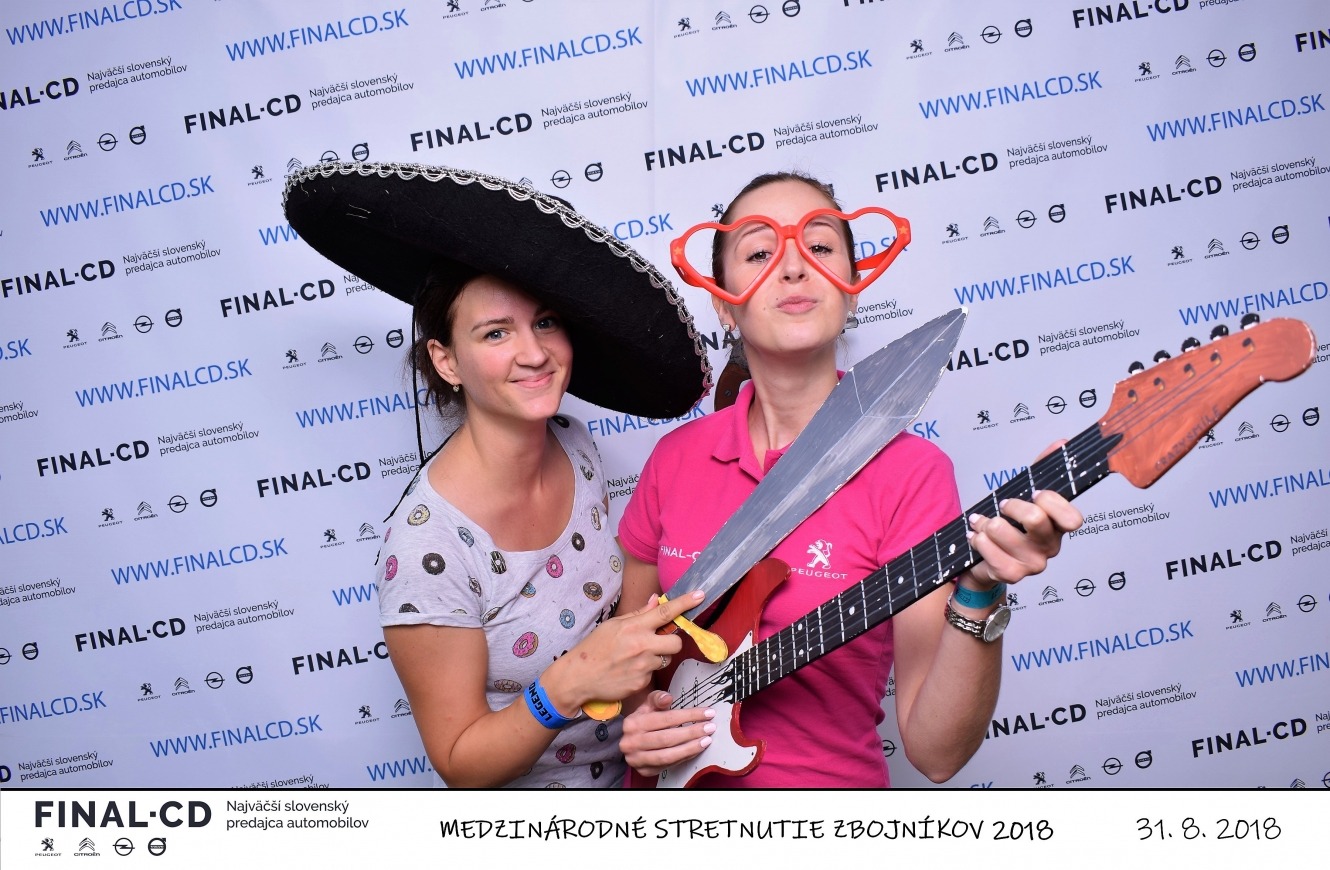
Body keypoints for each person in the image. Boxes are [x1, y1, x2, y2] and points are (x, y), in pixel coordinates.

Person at [615, 172, 1083, 787]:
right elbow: (628, 668)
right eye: (759, 253)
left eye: (820, 246)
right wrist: (639, 722)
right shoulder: (674, 459)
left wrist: (981, 591)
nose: (793, 268)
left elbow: (936, 753)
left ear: (852, 290)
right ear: (724, 304)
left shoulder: (912, 474)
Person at [282, 162, 713, 787]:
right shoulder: (426, 550)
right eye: (495, 333)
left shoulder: (574, 444)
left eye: (546, 322)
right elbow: (460, 763)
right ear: (447, 361)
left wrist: (645, 705)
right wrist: (564, 686)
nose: (533, 353)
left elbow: (618, 642)